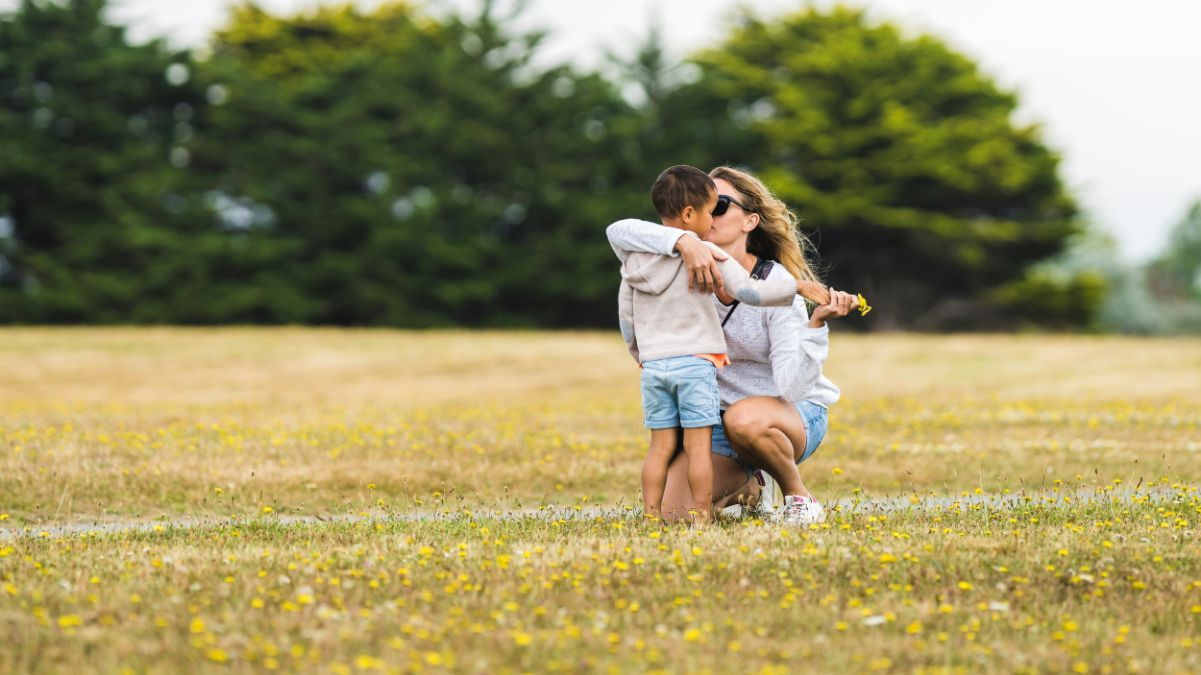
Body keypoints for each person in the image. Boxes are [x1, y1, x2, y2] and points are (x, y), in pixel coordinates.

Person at [607, 165, 860, 525]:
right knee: (674, 514)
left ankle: (798, 495)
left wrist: (815, 326)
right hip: (716, 418)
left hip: (787, 414)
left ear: (750, 221)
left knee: (745, 419)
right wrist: (683, 242)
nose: (709, 213)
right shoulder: (678, 266)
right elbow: (618, 231)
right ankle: (751, 489)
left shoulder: (775, 285)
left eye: (720, 205)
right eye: (703, 203)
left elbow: (792, 388)